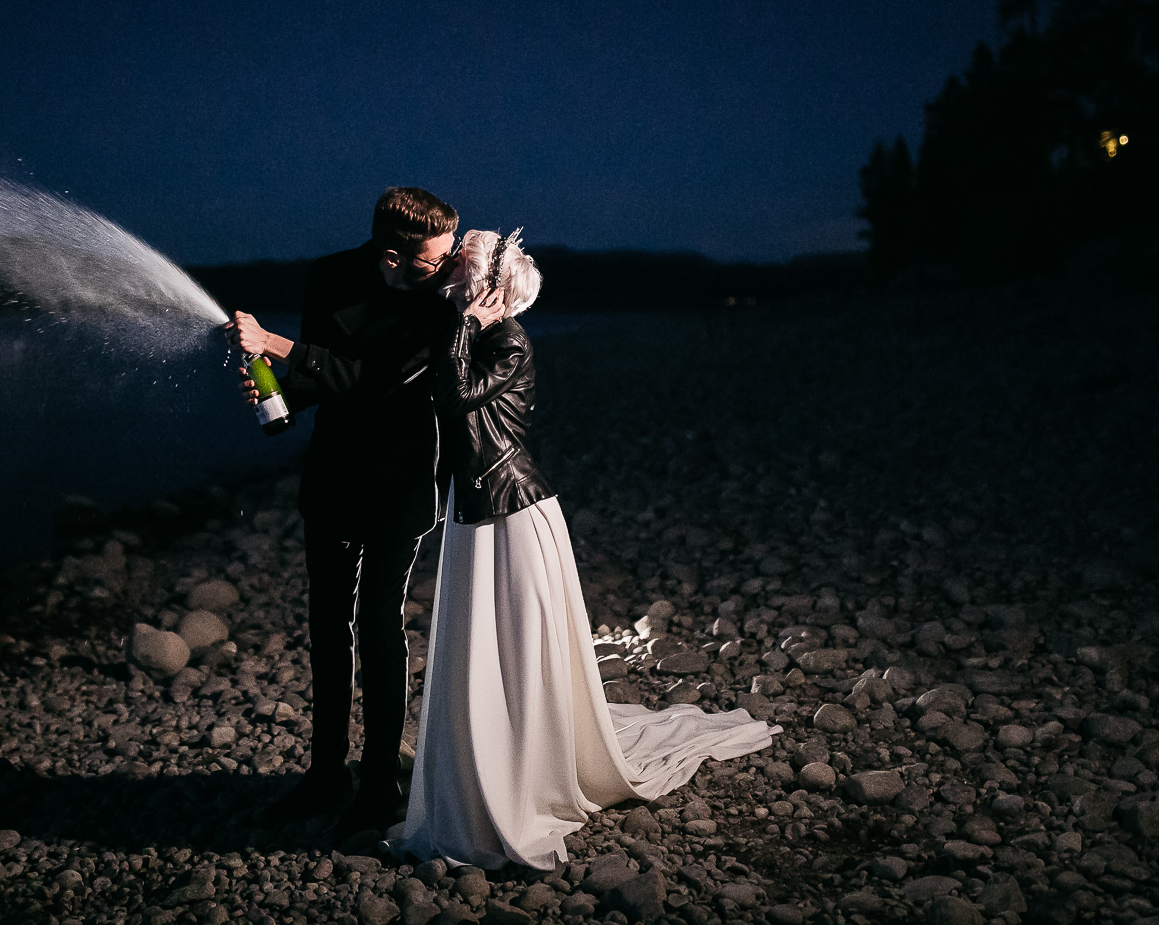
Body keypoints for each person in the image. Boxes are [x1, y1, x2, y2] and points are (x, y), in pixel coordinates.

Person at [390, 229, 778, 870]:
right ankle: (490, 760)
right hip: (484, 507)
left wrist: (465, 322)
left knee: (512, 646)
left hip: (510, 513)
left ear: (488, 288)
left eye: (464, 253)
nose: (454, 254)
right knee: (488, 649)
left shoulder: (504, 339)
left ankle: (519, 772)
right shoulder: (468, 333)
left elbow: (454, 397)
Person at [224, 187, 460, 834]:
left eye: (447, 255)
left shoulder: (440, 299)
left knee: (378, 624)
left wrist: (272, 343)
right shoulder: (331, 275)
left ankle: (378, 786)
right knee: (327, 625)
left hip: (401, 479)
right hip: (334, 474)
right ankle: (326, 773)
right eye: (435, 258)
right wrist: (278, 391)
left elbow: (377, 378)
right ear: (391, 252)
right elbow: (321, 374)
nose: (447, 265)